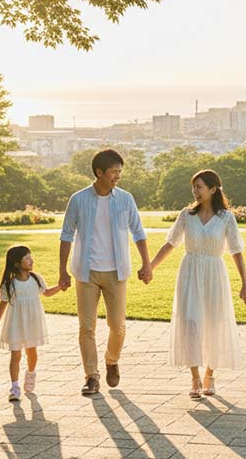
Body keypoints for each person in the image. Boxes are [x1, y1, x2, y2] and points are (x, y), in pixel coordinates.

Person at [147, 169, 246, 398]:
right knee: (190, 322)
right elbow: (170, 243)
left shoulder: (226, 218)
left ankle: (210, 375)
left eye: (199, 187)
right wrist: (150, 266)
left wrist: (245, 283)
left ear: (213, 189)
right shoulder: (187, 215)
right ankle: (195, 377)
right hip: (190, 271)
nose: (195, 191)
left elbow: (236, 251)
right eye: (193, 187)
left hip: (214, 273)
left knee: (214, 322)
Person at [59, 148, 150, 395]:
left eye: (120, 172)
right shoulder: (78, 200)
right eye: (113, 172)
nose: (117, 176)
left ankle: (112, 360)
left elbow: (138, 232)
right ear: (99, 172)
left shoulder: (125, 199)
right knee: (86, 328)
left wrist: (146, 264)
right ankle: (91, 376)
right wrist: (62, 271)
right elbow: (66, 235)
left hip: (116, 272)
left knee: (117, 326)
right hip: (86, 272)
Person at [0, 245, 61, 402]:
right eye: (27, 258)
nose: (32, 260)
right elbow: (3, 304)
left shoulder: (36, 279)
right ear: (17, 263)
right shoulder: (10, 284)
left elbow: (47, 292)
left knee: (32, 352)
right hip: (16, 323)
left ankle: (30, 374)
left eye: (31, 257)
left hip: (32, 322)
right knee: (15, 354)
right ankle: (14, 387)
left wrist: (60, 287)